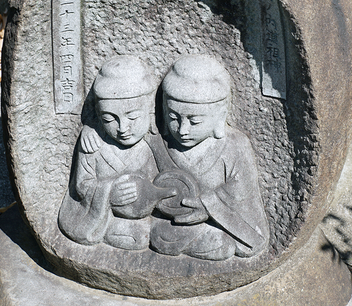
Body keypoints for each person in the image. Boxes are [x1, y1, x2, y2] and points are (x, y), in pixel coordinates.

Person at [150, 55, 270, 261]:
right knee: (158, 235)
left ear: (220, 117)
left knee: (224, 244)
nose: (183, 130)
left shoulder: (235, 145)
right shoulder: (157, 141)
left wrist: (209, 206)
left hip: (219, 224)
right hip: (171, 225)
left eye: (194, 121)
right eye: (173, 118)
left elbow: (243, 194)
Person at [58, 56, 172, 250]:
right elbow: (81, 185)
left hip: (145, 213)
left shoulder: (153, 142)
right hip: (101, 216)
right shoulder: (93, 144)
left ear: (150, 111)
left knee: (155, 234)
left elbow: (169, 177)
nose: (122, 128)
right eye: (110, 119)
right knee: (138, 237)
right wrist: (109, 193)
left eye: (133, 117)